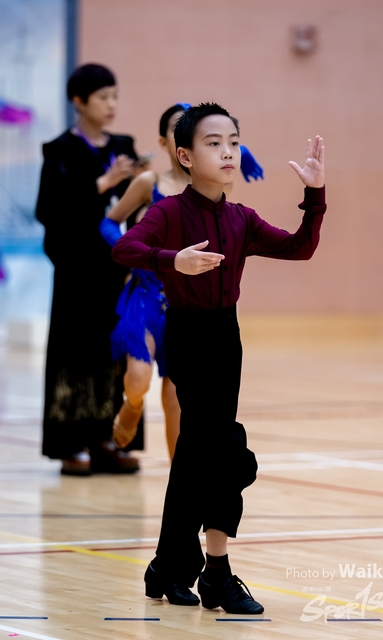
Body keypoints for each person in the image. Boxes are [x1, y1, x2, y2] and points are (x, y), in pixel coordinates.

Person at [111, 102, 326, 613]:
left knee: (196, 454)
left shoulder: (241, 218)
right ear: (185, 156)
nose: (228, 152)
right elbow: (124, 249)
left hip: (228, 337)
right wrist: (173, 261)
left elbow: (300, 248)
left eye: (233, 142)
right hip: (188, 335)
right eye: (213, 143)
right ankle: (217, 571)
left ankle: (168, 564)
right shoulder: (168, 212)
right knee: (226, 450)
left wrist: (315, 194)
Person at [100, 103, 264, 461]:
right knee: (138, 378)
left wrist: (242, 150)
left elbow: (226, 149)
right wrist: (134, 252)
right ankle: (132, 404)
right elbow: (109, 222)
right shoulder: (150, 183)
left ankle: (181, 476)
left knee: (176, 397)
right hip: (146, 294)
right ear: (169, 144)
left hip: (186, 301)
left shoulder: (211, 185)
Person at [36, 63, 142, 476]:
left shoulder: (123, 146)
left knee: (113, 353)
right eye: (103, 97)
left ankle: (108, 439)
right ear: (78, 102)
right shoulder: (60, 149)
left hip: (116, 269)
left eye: (115, 96)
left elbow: (137, 204)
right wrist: (101, 184)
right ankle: (71, 443)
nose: (112, 104)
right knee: (75, 354)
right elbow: (48, 210)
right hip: (77, 271)